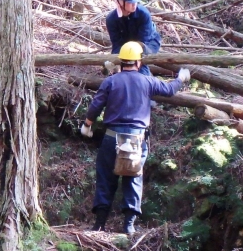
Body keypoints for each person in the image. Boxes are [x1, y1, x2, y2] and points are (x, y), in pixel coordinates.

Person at [80, 41, 190, 234]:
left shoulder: (111, 81)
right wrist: (180, 78)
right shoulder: (147, 81)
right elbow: (169, 90)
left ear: (122, 62)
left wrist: (87, 124)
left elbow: (95, 106)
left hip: (111, 138)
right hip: (136, 139)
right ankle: (129, 226)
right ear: (138, 63)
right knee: (133, 179)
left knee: (106, 178)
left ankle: (99, 224)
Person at [105, 0, 161, 76]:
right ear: (120, 1)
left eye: (135, 2)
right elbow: (117, 44)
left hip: (148, 43)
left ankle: (145, 80)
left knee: (138, 64)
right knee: (120, 68)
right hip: (126, 44)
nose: (134, 4)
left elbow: (142, 42)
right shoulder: (111, 19)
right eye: (130, 2)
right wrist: (117, 63)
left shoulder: (143, 14)